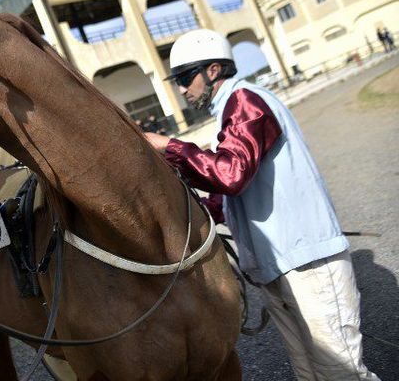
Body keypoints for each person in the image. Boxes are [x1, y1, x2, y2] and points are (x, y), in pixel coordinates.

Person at [145, 28, 380, 381]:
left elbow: (231, 175)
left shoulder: (245, 101)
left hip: (308, 264)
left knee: (341, 374)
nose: (180, 89)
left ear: (212, 71)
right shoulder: (229, 113)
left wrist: (171, 147)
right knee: (307, 373)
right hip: (277, 267)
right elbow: (224, 199)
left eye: (183, 77)